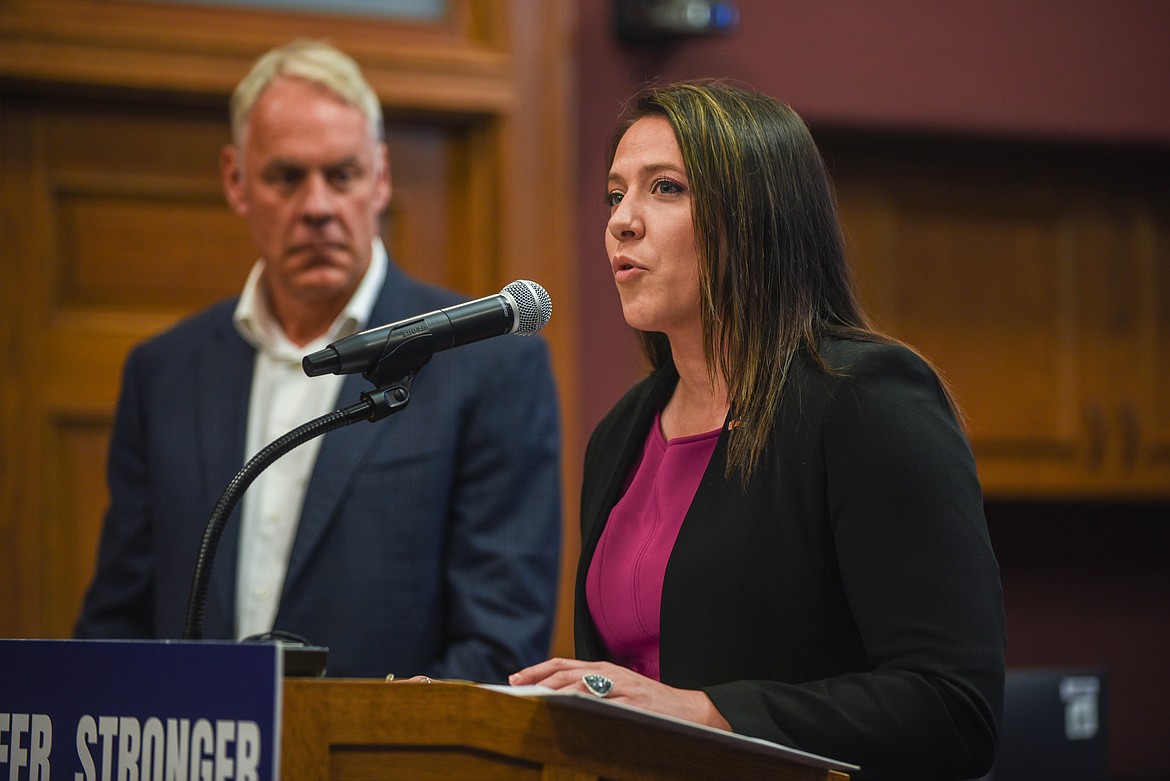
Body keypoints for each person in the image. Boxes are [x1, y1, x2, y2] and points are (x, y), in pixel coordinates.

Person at [508, 82, 1005, 780]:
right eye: (614, 194)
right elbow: (621, 692)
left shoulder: (866, 401)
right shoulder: (622, 432)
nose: (623, 220)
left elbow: (954, 708)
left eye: (666, 189)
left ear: (755, 217)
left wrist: (709, 711)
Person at [74, 39, 562, 682]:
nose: (318, 208)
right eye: (286, 177)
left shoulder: (487, 364)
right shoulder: (164, 372)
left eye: (342, 175)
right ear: (235, 180)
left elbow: (502, 644)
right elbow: (118, 623)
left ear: (381, 178)